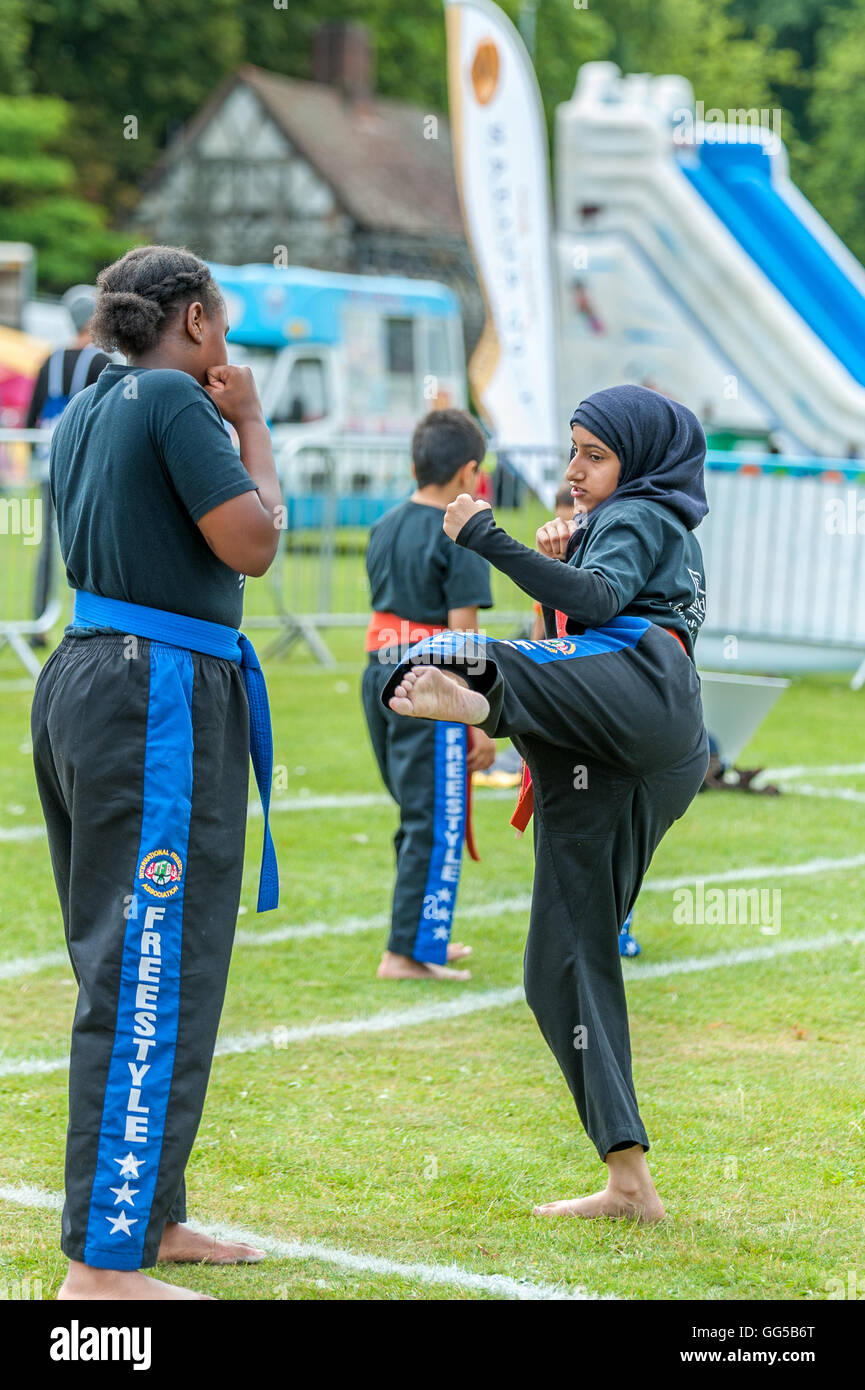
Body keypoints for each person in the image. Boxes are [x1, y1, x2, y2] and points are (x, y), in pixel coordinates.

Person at [381, 385, 709, 1221]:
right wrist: (557, 565)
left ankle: (483, 691)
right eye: (572, 451)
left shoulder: (641, 513)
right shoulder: (616, 522)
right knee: (560, 966)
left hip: (641, 695)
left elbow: (598, 612)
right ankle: (628, 1181)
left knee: (493, 655)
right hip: (616, 755)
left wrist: (484, 533)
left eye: (593, 455)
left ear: (638, 462)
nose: (572, 470)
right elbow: (577, 613)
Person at [30, 245, 282, 1299]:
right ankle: (102, 1266)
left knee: (146, 957)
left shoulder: (87, 403)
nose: (225, 343)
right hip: (155, 694)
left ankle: (151, 1215)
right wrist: (254, 425)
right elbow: (255, 543)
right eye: (218, 320)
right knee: (148, 965)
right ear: (187, 317)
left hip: (92, 678)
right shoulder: (178, 403)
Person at [361, 408, 497, 982]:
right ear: (469, 473)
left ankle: (425, 933)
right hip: (430, 683)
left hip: (380, 671)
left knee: (416, 811)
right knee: (435, 816)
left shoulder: (385, 523)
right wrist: (478, 718)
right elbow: (464, 637)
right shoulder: (458, 534)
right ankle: (406, 954)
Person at [26, 286, 113, 642]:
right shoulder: (103, 362)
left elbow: (32, 414)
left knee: (48, 545)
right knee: (92, 541)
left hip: (49, 463)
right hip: (87, 464)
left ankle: (38, 624)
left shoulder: (51, 358)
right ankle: (91, 621)